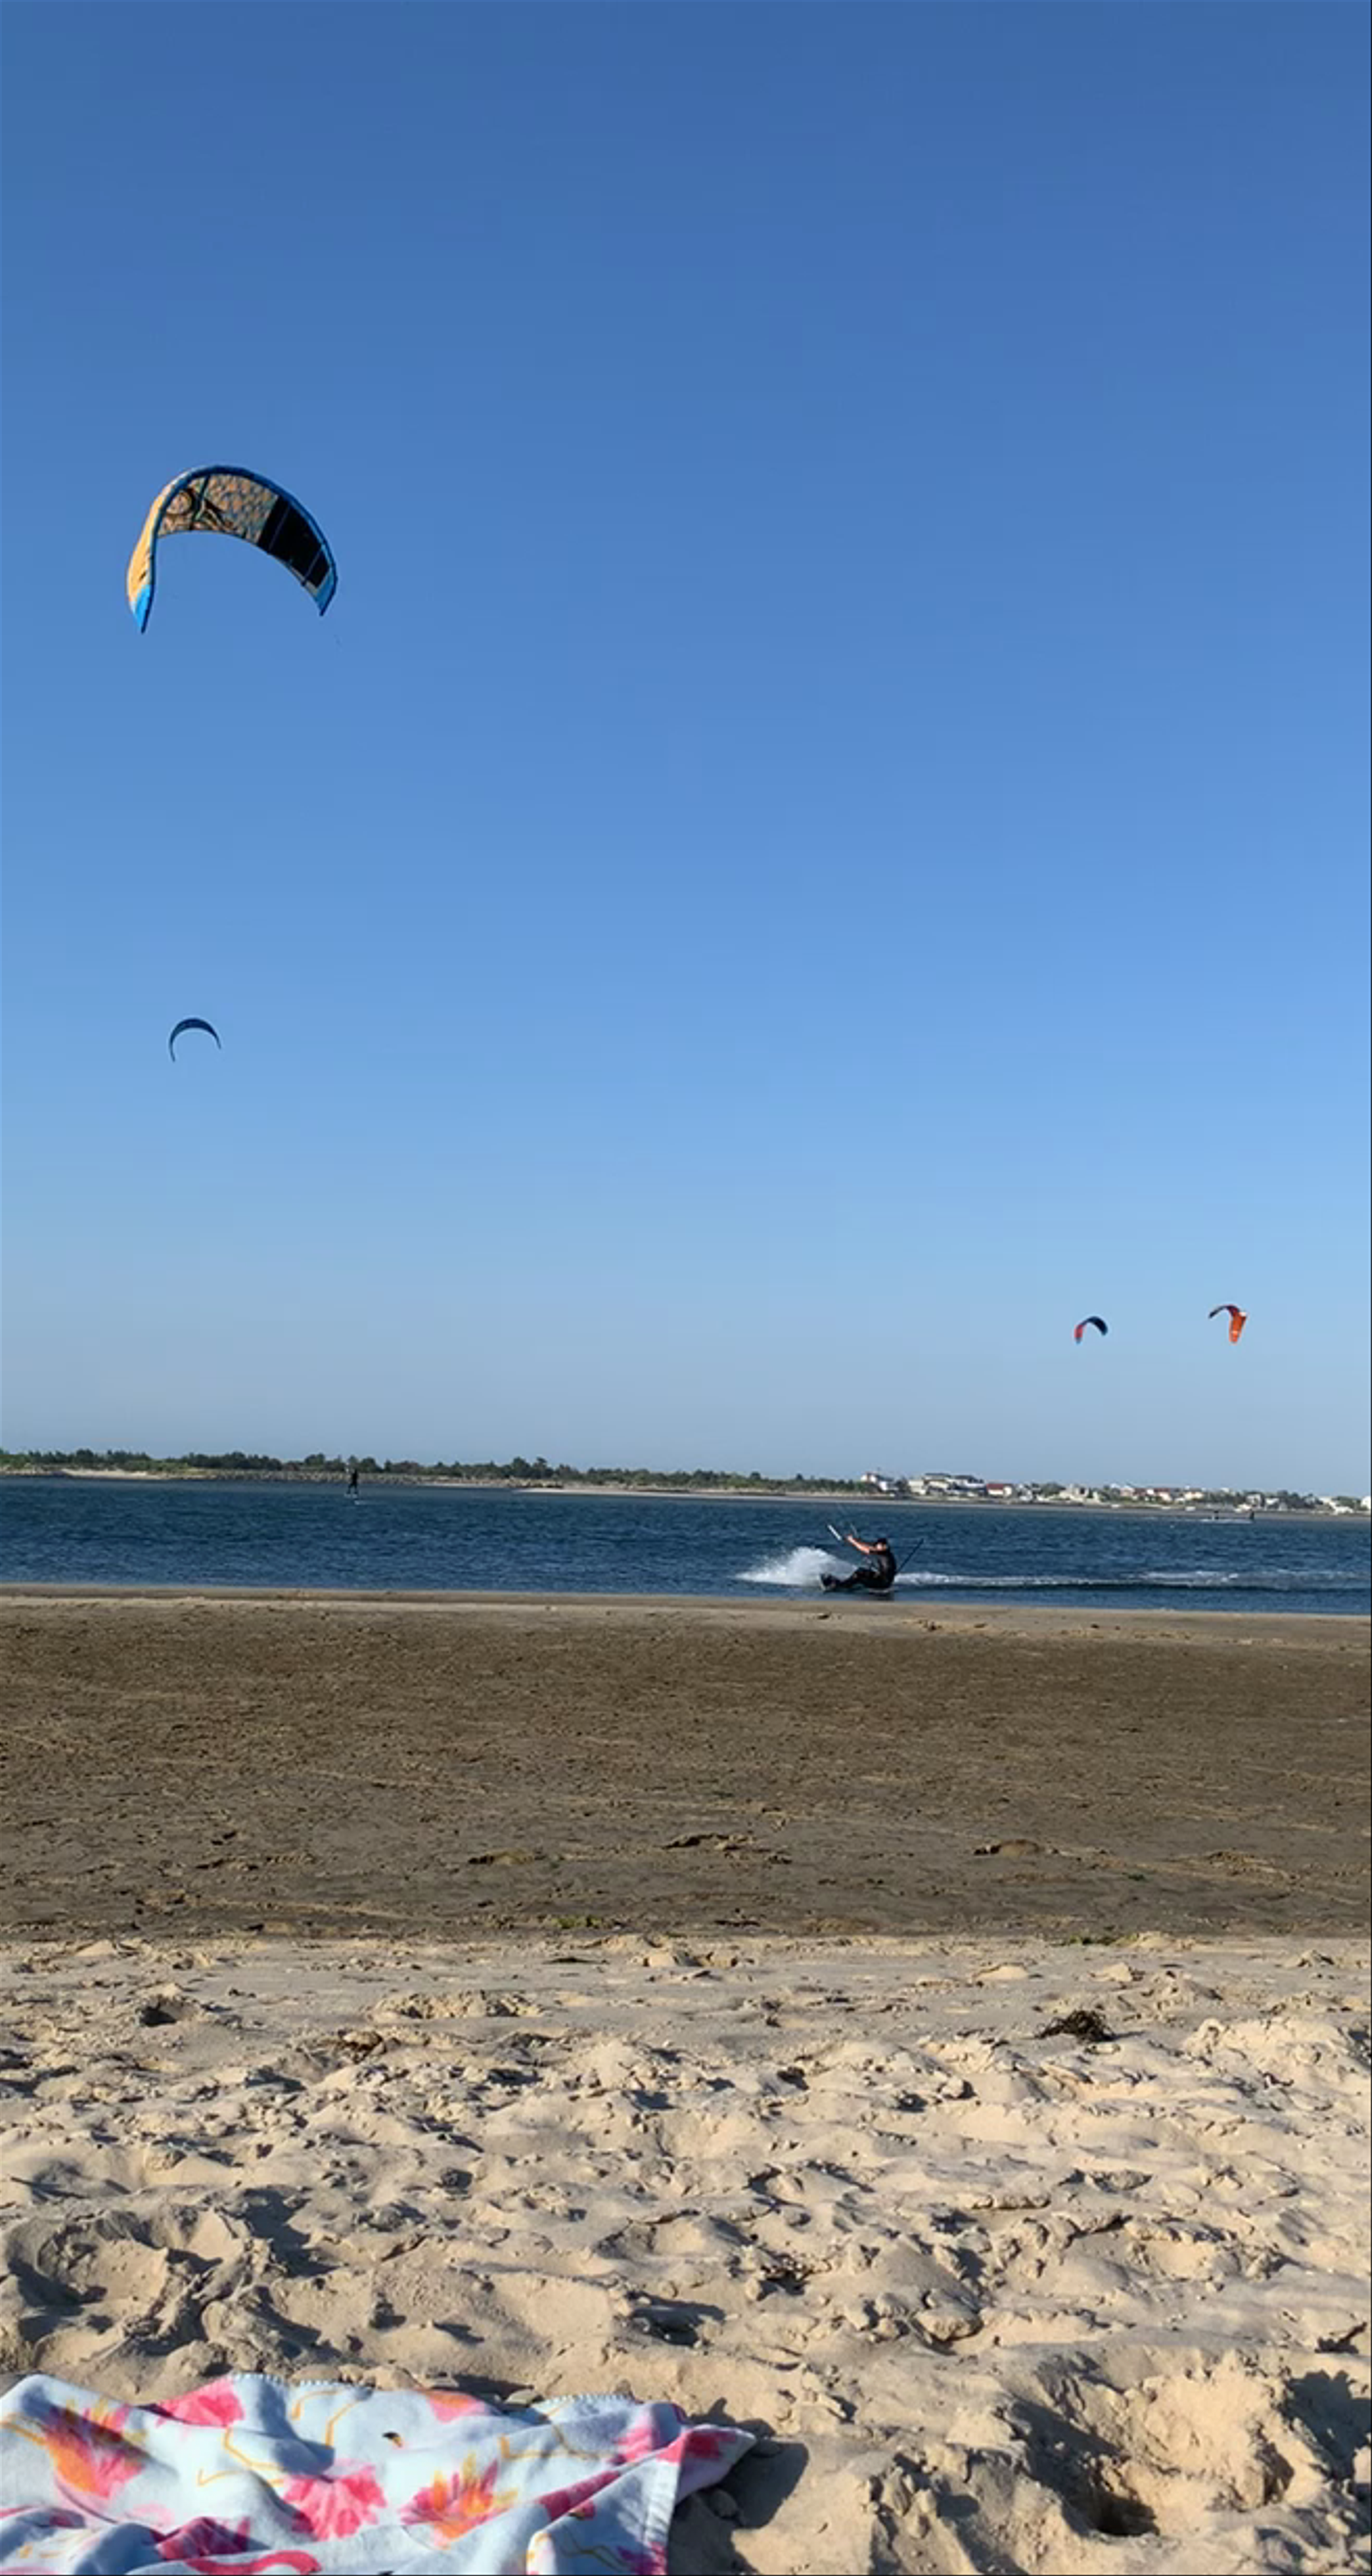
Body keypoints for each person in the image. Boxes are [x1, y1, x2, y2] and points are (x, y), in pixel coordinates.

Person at [821, 1532, 898, 1593]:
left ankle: (840, 1587)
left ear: (884, 1546)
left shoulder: (884, 1552)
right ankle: (843, 1583)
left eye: (878, 1546)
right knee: (862, 1571)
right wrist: (857, 1542)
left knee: (859, 1576)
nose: (876, 1547)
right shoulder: (886, 1552)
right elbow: (870, 1547)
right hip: (883, 1580)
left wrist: (853, 1542)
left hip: (883, 1584)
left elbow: (866, 1550)